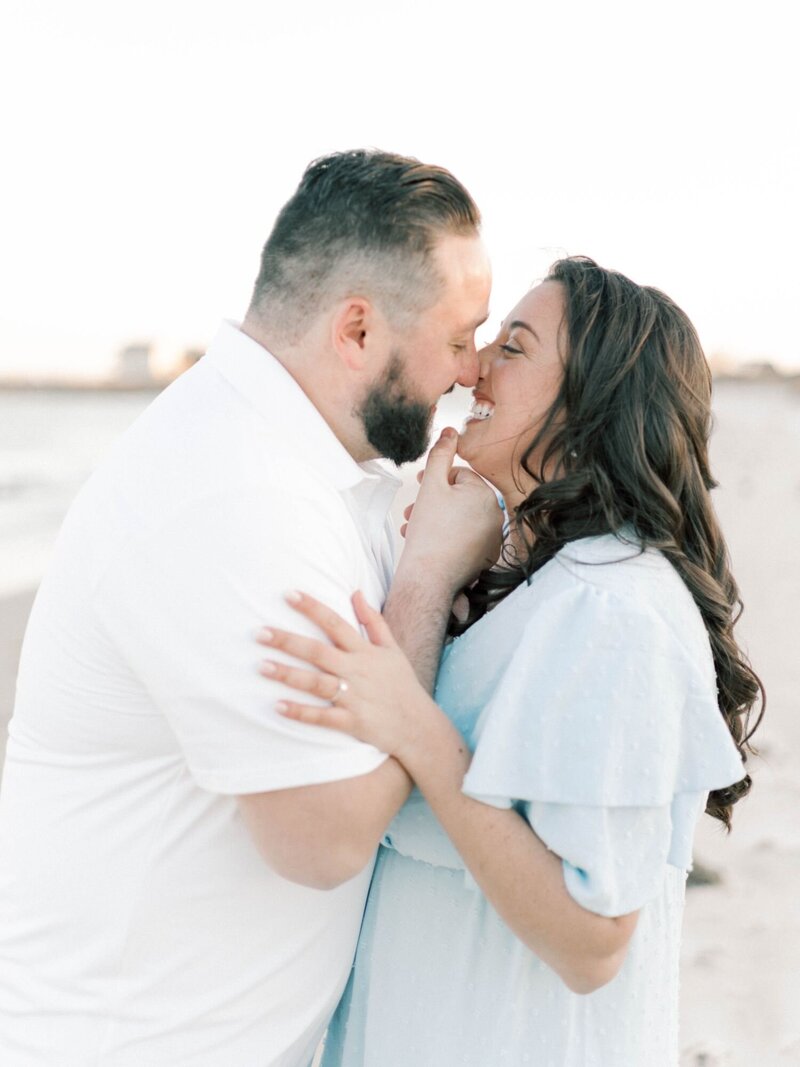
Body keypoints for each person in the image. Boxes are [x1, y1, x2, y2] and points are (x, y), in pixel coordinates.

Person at [0, 150, 500, 1065]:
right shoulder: (232, 495)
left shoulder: (311, 462)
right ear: (356, 330)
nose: (472, 370)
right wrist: (424, 583)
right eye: (462, 334)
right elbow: (326, 835)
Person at [255, 256, 764, 1066]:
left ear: (591, 403)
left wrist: (421, 732)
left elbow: (592, 938)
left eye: (516, 347)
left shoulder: (613, 607)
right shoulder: (539, 588)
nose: (475, 365)